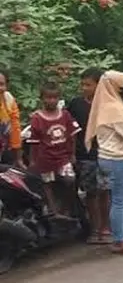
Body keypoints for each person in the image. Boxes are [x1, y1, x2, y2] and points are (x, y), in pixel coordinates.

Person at [85, 71, 123, 255]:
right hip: (117, 159)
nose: (122, 89)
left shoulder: (107, 106)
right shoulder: (114, 109)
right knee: (120, 201)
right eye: (120, 86)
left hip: (116, 158)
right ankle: (120, 240)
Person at [67, 68, 112, 245]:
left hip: (104, 153)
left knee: (105, 192)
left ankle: (106, 227)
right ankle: (95, 229)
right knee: (91, 193)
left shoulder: (107, 104)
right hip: (85, 156)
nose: (84, 88)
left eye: (88, 84)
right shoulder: (76, 104)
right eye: (82, 84)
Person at [28, 82, 80, 219]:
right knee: (47, 183)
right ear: (42, 98)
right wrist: (33, 160)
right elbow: (34, 142)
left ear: (59, 98)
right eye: (48, 97)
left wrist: (73, 154)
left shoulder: (65, 115)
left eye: (54, 97)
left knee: (70, 180)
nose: (51, 101)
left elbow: (73, 136)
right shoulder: (37, 118)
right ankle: (53, 211)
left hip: (63, 156)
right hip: (45, 157)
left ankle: (66, 209)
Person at [0, 70, 23, 168]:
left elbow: (15, 128)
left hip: (6, 149)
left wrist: (18, 159)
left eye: (1, 84)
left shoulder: (8, 99)